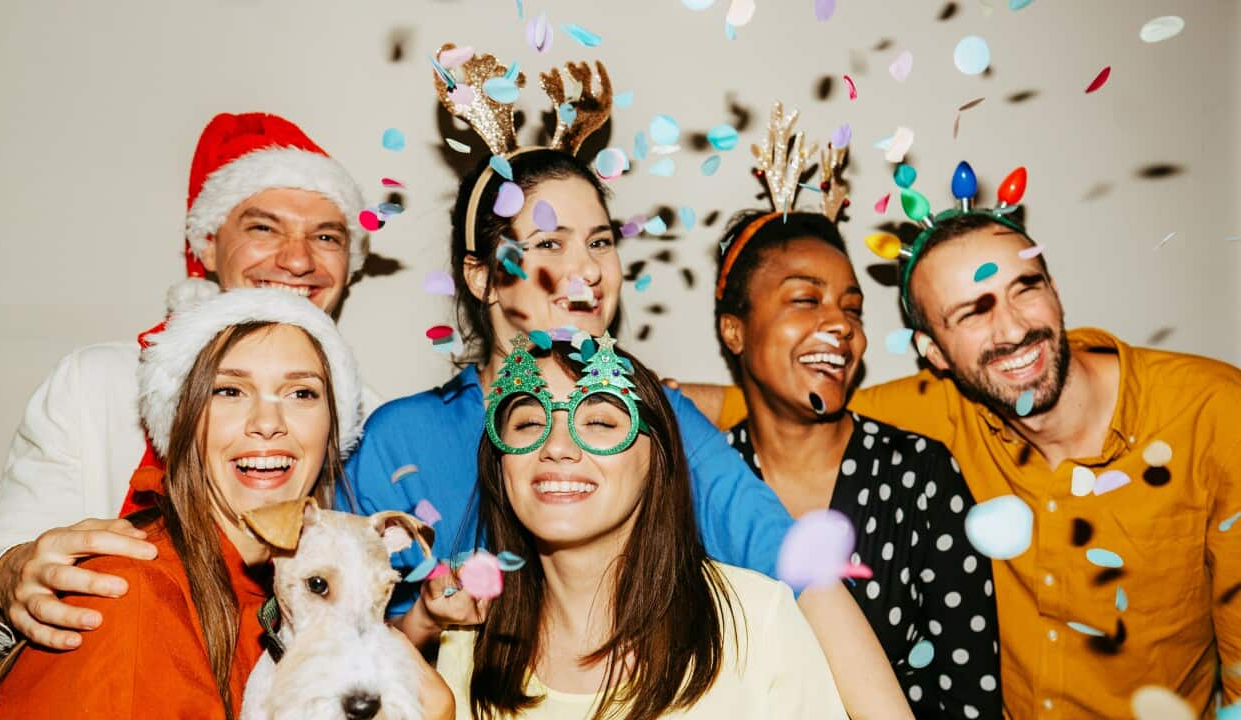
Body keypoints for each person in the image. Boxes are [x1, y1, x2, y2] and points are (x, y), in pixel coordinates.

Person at [344, 145, 911, 719]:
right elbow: (337, 648)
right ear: (481, 275)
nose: (588, 269)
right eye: (549, 242)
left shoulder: (661, 417)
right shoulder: (401, 439)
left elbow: (807, 578)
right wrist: (425, 624)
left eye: (600, 241)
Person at [692, 180, 1241, 716]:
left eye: (1025, 287)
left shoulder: (1214, 412)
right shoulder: (943, 407)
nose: (1012, 327)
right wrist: (657, 407)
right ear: (934, 352)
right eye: (972, 311)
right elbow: (791, 409)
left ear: (1054, 288)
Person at [0, 112, 372, 654]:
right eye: (263, 227)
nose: (297, 259)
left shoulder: (369, 415)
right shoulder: (100, 384)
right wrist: (9, 576)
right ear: (206, 245)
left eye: (325, 236)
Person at [0, 289, 452, 719]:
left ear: (330, 430)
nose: (268, 421)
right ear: (182, 426)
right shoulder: (132, 599)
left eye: (302, 392)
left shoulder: (268, 591)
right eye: (229, 390)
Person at [436, 335, 847, 719]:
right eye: (527, 423)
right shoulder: (468, 642)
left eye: (598, 422)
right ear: (499, 463)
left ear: (657, 459)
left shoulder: (758, 621)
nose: (556, 446)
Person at [713, 209, 1002, 718]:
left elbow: (969, 694)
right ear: (734, 331)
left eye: (853, 310)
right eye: (806, 299)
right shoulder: (702, 482)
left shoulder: (919, 475)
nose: (841, 326)